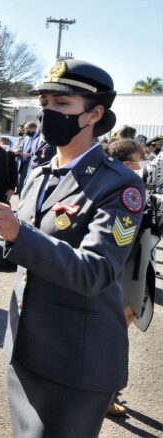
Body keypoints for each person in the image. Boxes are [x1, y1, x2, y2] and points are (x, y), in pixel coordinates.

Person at [0, 59, 144, 438]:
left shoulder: (120, 185)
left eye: (62, 103)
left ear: (94, 113)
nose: (48, 111)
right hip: (27, 347)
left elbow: (95, 271)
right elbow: (25, 254)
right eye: (45, 101)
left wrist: (19, 232)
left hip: (77, 359)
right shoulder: (40, 173)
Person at [105, 138, 157, 417]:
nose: (144, 164)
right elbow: (123, 239)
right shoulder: (124, 190)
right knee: (115, 334)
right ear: (126, 164)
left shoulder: (128, 187)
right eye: (140, 159)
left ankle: (108, 391)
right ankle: (106, 393)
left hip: (133, 271)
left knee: (116, 332)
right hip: (124, 273)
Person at [12, 121, 40, 193]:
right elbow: (20, 147)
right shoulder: (25, 137)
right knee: (20, 184)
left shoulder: (39, 138)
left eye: (26, 129)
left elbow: (39, 153)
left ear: (32, 129)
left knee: (28, 185)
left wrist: (29, 155)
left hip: (32, 164)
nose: (25, 131)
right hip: (22, 163)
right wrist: (18, 151)